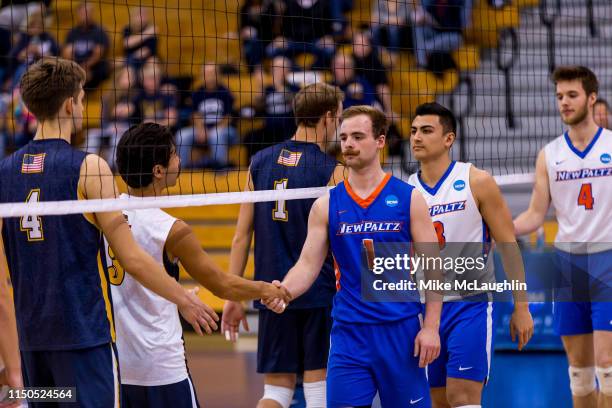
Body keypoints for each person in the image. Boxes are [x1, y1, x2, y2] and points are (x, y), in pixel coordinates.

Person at [0, 58, 216, 407]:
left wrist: (11, 370)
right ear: (71, 103)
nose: (83, 106)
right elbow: (131, 258)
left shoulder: (4, 172)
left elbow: (1, 287)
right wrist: (184, 297)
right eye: (83, 98)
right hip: (85, 342)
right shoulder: (90, 167)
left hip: (32, 346)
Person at [265, 105, 443, 407]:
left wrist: (430, 328)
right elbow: (307, 265)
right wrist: (284, 290)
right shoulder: (326, 204)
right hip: (349, 336)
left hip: (400, 333)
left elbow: (434, 268)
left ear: (380, 141)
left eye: (358, 136)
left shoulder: (408, 198)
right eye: (344, 136)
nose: (348, 143)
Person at [112, 122, 291, 407]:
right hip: (162, 365)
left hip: (119, 365)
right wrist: (267, 289)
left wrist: (175, 297)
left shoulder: (104, 216)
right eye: (173, 155)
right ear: (158, 171)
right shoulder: (171, 229)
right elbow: (222, 284)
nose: (179, 160)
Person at [223, 82, 345, 408]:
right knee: (319, 385)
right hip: (318, 292)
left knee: (276, 391)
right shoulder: (333, 170)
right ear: (328, 117)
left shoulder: (259, 162)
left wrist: (234, 296)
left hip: (270, 290)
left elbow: (240, 236)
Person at [408, 102, 534, 408]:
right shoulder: (406, 191)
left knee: (462, 398)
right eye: (413, 131)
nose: (416, 138)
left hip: (470, 305)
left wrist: (522, 306)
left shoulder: (477, 180)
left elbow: (508, 245)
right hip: (426, 312)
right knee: (438, 402)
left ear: (448, 139)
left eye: (426, 131)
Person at [514, 66, 612, 408]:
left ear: (592, 97)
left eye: (572, 95)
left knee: (608, 371)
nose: (564, 103)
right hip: (568, 265)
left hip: (608, 260)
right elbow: (535, 215)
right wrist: (496, 229)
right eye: (559, 97)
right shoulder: (550, 154)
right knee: (580, 376)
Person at [61, 2, 110, 90]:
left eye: (88, 12)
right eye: (82, 13)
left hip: (94, 67)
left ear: (92, 13)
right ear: (78, 14)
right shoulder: (72, 33)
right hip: (75, 66)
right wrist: (77, 67)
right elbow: (66, 52)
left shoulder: (99, 32)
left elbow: (99, 53)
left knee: (97, 70)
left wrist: (85, 67)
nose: (85, 15)